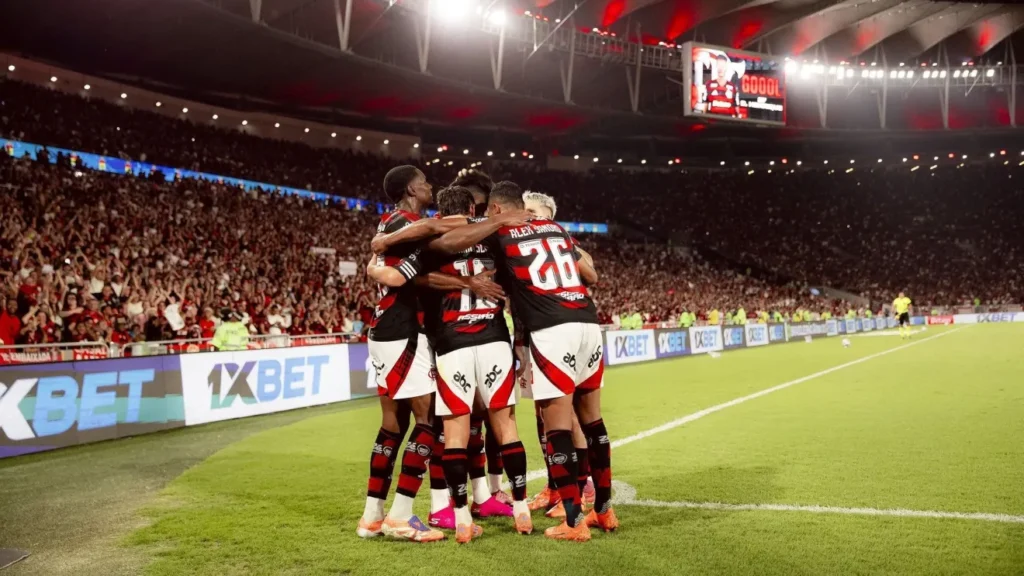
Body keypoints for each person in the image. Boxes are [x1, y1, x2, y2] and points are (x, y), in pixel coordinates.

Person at [431, 181, 616, 542]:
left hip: (551, 329)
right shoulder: (556, 228)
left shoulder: (502, 233)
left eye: (488, 213)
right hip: (588, 323)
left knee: (556, 425)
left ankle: (574, 520)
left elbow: (447, 244)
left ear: (497, 210)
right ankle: (604, 510)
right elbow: (590, 274)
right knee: (593, 421)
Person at [369, 185, 532, 543]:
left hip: (449, 344)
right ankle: (520, 509)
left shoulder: (431, 244)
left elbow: (409, 275)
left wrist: (378, 255)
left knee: (452, 433)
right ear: (475, 208)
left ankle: (459, 517)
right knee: (504, 427)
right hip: (491, 341)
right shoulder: (494, 239)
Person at [358, 165, 446, 543]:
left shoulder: (388, 223)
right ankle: (401, 515)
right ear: (411, 188)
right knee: (429, 422)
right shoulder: (406, 224)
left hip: (384, 331)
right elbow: (431, 229)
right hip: (404, 332)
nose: (430, 186)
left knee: (392, 426)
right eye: (425, 182)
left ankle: (371, 516)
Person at [520, 191, 596, 518]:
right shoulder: (520, 241)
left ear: (549, 216)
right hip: (528, 332)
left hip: (556, 331)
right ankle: (554, 484)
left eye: (532, 211)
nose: (526, 216)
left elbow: (590, 270)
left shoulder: (562, 239)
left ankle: (583, 486)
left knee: (569, 415)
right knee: (542, 413)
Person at [702, 53, 739, 118]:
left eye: (722, 66)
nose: (720, 68)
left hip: (727, 122)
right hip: (711, 120)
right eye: (719, 65)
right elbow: (705, 105)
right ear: (716, 66)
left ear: (726, 67)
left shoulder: (732, 87)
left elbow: (736, 107)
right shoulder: (709, 84)